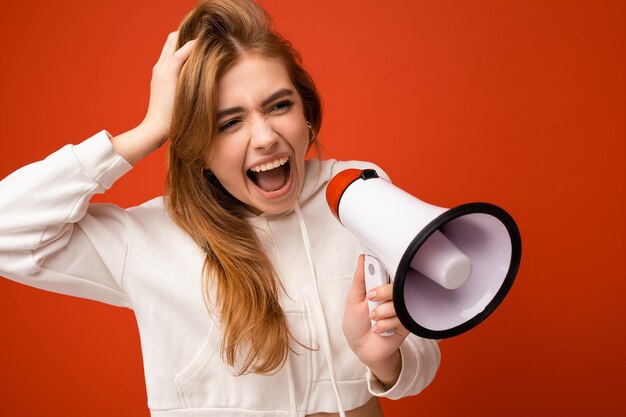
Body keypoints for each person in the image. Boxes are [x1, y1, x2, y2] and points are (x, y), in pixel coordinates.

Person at [0, 0, 440, 416]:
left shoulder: (355, 193)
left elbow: (421, 355)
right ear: (197, 142)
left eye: (279, 105)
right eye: (228, 122)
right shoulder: (150, 237)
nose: (266, 136)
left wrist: (384, 360)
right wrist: (151, 129)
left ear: (306, 110)